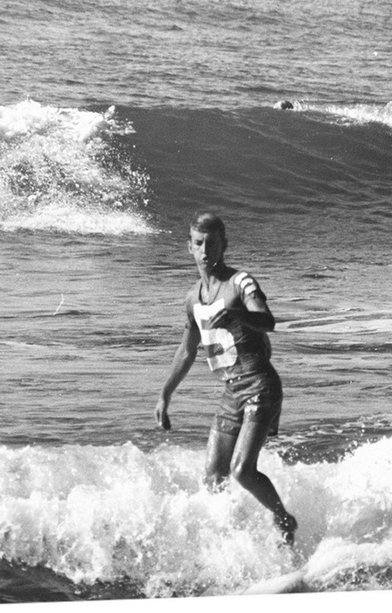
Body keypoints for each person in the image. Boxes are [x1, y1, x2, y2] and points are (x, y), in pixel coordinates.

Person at [154, 212, 298, 545]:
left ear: (224, 245)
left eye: (213, 243)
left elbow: (267, 320)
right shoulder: (192, 299)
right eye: (199, 243)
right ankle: (226, 541)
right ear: (188, 247)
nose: (206, 251)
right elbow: (187, 351)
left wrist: (236, 314)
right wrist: (165, 394)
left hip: (260, 385)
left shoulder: (240, 283)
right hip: (232, 392)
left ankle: (284, 519)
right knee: (213, 476)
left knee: (241, 471)